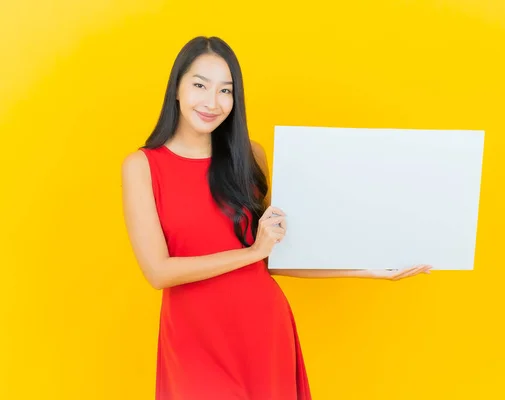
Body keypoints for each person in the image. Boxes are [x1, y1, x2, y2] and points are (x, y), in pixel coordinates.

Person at [121, 36, 432, 400]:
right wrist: (252, 252)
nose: (211, 102)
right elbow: (159, 272)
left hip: (263, 332)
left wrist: (369, 268)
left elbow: (274, 255)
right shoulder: (143, 166)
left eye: (226, 91)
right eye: (200, 85)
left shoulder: (251, 156)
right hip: (192, 341)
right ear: (176, 88)